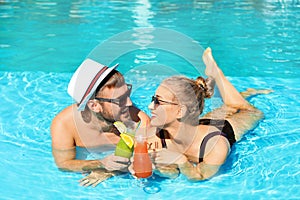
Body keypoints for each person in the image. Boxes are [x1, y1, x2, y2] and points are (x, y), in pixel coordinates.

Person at [143, 47, 272, 181]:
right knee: (228, 106)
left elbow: (201, 175)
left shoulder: (214, 145)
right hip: (197, 124)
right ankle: (242, 94)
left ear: (180, 111)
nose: (150, 106)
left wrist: (181, 161)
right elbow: (165, 169)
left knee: (251, 111)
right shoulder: (157, 137)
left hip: (224, 129)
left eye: (158, 101)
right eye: (153, 99)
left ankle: (216, 72)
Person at [51, 58, 150, 177]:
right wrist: (101, 164)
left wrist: (111, 171)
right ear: (94, 106)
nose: (129, 103)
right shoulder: (64, 125)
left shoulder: (135, 119)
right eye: (121, 99)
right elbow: (63, 164)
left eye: (127, 93)